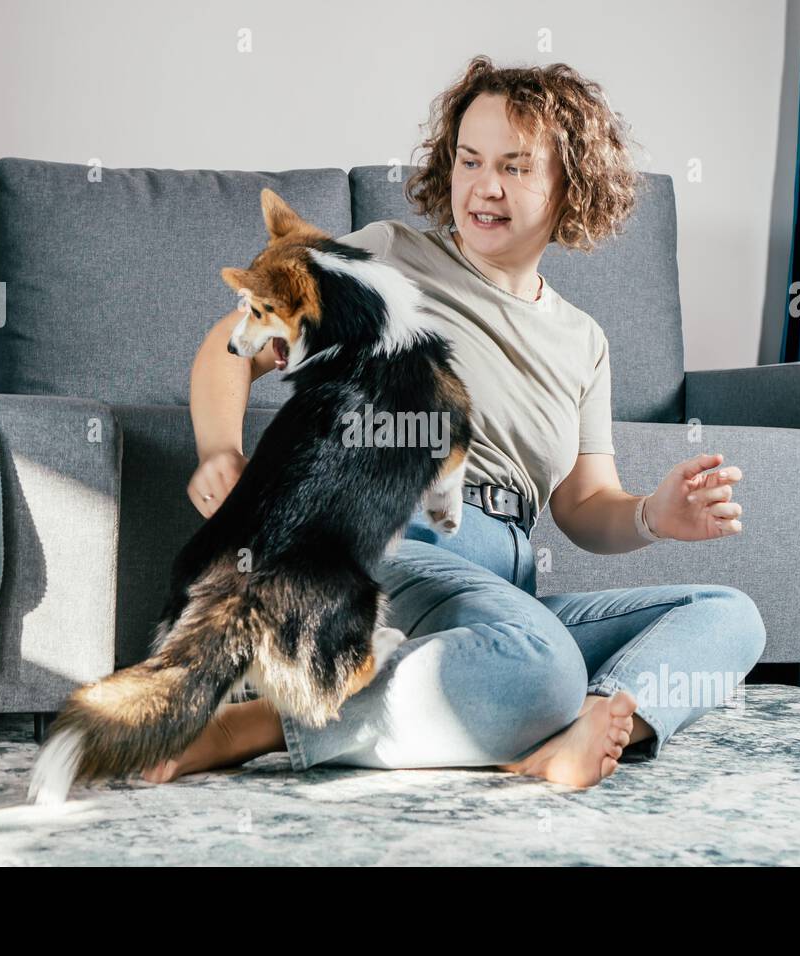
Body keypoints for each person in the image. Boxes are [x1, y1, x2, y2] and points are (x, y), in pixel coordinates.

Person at [143, 56, 766, 789]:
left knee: (728, 614)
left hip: (505, 587)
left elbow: (585, 506)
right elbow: (233, 347)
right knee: (542, 665)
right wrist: (220, 448)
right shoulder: (386, 259)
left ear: (571, 185)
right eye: (469, 160)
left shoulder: (584, 340)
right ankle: (257, 728)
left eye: (515, 166)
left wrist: (654, 516)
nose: (485, 186)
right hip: (389, 542)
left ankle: (580, 718)